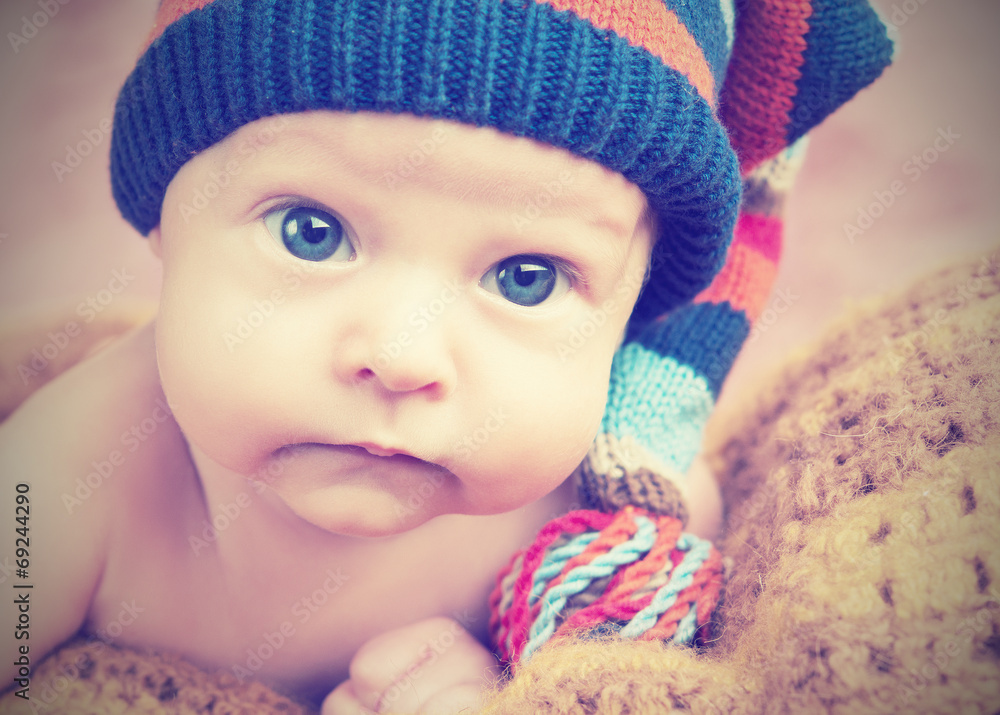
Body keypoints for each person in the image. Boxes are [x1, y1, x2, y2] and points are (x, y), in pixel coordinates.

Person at [0, 0, 892, 712]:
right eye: (313, 233)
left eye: (528, 277)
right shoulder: (79, 470)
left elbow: (663, 637)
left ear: (628, 316)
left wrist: (512, 683)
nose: (401, 354)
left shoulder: (604, 501)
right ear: (164, 222)